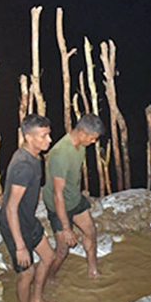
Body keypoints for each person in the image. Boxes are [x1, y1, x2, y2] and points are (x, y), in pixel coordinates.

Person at [0, 114, 60, 302]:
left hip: (27, 219)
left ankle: (36, 301)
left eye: (48, 134)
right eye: (43, 136)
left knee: (49, 256)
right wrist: (20, 246)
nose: (49, 140)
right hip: (14, 222)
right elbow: (10, 208)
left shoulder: (35, 157)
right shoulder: (23, 166)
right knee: (27, 272)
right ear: (28, 137)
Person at [43, 113, 105, 279]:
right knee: (63, 250)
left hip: (74, 198)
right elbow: (57, 194)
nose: (93, 142)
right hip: (58, 204)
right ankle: (48, 277)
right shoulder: (60, 154)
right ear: (82, 133)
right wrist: (66, 227)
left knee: (90, 231)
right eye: (92, 139)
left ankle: (93, 270)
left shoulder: (81, 144)